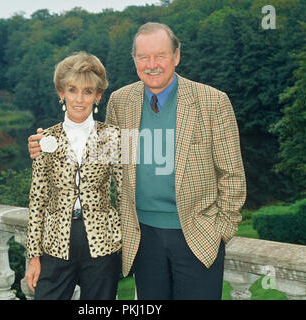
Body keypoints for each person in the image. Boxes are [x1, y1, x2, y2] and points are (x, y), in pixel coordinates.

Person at [27, 22, 246, 300]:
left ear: (176, 56)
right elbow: (100, 161)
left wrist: (221, 230)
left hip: (196, 235)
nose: (151, 64)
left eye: (160, 55)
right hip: (143, 238)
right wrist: (44, 145)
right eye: (143, 57)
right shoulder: (122, 101)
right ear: (135, 60)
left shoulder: (212, 101)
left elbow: (233, 175)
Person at [25, 51, 122, 300]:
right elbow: (38, 200)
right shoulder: (45, 139)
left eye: (88, 91)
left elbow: (125, 195)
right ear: (61, 93)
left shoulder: (113, 136)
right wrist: (34, 256)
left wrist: (122, 240)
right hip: (56, 243)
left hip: (102, 244)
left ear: (98, 96)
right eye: (72, 90)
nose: (79, 99)